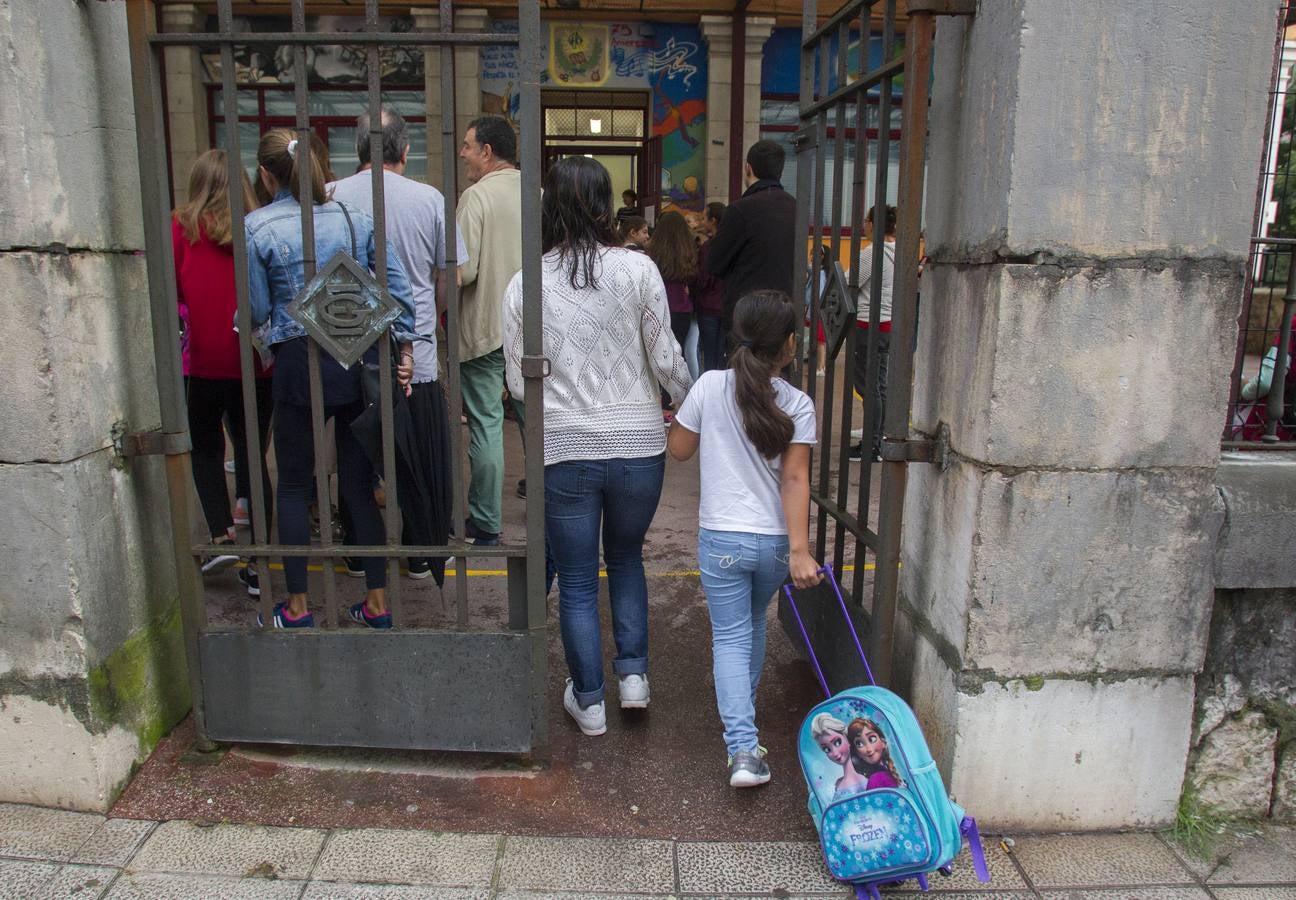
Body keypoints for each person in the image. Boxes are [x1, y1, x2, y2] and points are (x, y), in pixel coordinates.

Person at [502, 157, 691, 738]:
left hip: (565, 448)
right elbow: (666, 357)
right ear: (607, 207)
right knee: (628, 558)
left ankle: (589, 702)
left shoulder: (526, 282)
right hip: (638, 443)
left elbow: (515, 381)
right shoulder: (638, 269)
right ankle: (633, 678)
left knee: (579, 579)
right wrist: (688, 400)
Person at [245, 128, 418, 629]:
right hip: (356, 352)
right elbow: (395, 288)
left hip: (298, 357)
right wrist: (405, 345)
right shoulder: (356, 218)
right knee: (360, 485)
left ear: (265, 174)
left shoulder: (257, 227)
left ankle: (297, 608)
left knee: (295, 484)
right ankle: (378, 604)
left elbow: (257, 308)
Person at [668, 290, 821, 788]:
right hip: (776, 544)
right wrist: (799, 551)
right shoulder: (798, 403)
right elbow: (795, 480)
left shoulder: (711, 387)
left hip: (723, 539)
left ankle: (743, 751)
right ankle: (746, 725)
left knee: (730, 636)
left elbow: (680, 451)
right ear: (790, 346)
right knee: (754, 622)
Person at [329, 106, 466, 582]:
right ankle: (420, 551)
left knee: (354, 455)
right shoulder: (430, 199)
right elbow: (450, 275)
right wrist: (430, 313)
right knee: (418, 454)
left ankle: (356, 550)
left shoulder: (328, 196)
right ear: (405, 151)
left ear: (359, 150)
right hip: (417, 351)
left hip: (345, 349)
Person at [172, 149, 272, 578]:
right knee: (253, 452)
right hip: (253, 358)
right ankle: (263, 556)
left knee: (206, 448)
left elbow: (173, 289)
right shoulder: (258, 226)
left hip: (201, 360)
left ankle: (219, 535)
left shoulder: (180, 229)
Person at [456, 115, 523, 546]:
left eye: (467, 145)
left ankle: (485, 521)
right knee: (537, 426)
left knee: (486, 425)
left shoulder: (476, 197)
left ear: (487, 151)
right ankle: (554, 512)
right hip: (534, 332)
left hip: (485, 329)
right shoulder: (539, 195)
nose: (463, 153)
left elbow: (462, 271)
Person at [707, 140, 797, 339]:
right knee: (778, 369)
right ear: (780, 172)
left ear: (748, 168)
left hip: (747, 317)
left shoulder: (740, 210)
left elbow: (714, 263)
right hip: (784, 311)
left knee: (745, 369)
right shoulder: (796, 208)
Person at [851, 205, 897, 463]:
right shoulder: (897, 251)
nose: (864, 226)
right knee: (879, 384)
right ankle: (879, 437)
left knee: (868, 386)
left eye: (866, 221)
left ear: (872, 223)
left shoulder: (873, 253)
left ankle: (871, 445)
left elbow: (849, 280)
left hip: (868, 324)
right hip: (886, 324)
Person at [648, 210, 699, 381]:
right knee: (680, 353)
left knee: (659, 352)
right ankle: (678, 392)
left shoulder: (653, 250)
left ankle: (663, 393)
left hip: (659, 307)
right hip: (682, 307)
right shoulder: (689, 250)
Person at [692, 202, 727, 372]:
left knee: (708, 355)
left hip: (709, 305)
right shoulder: (731, 243)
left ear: (713, 220)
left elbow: (703, 279)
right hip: (727, 304)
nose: (702, 222)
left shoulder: (708, 247)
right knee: (722, 355)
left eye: (704, 218)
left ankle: (709, 394)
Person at [811, 712, 869, 799]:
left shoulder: (862, 781)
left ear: (847, 738)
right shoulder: (838, 783)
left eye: (837, 742)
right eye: (827, 749)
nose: (835, 753)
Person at [848, 717, 903, 790]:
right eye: (859, 744)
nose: (868, 749)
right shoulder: (878, 778)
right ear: (857, 752)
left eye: (872, 739)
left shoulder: (877, 778)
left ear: (883, 742)